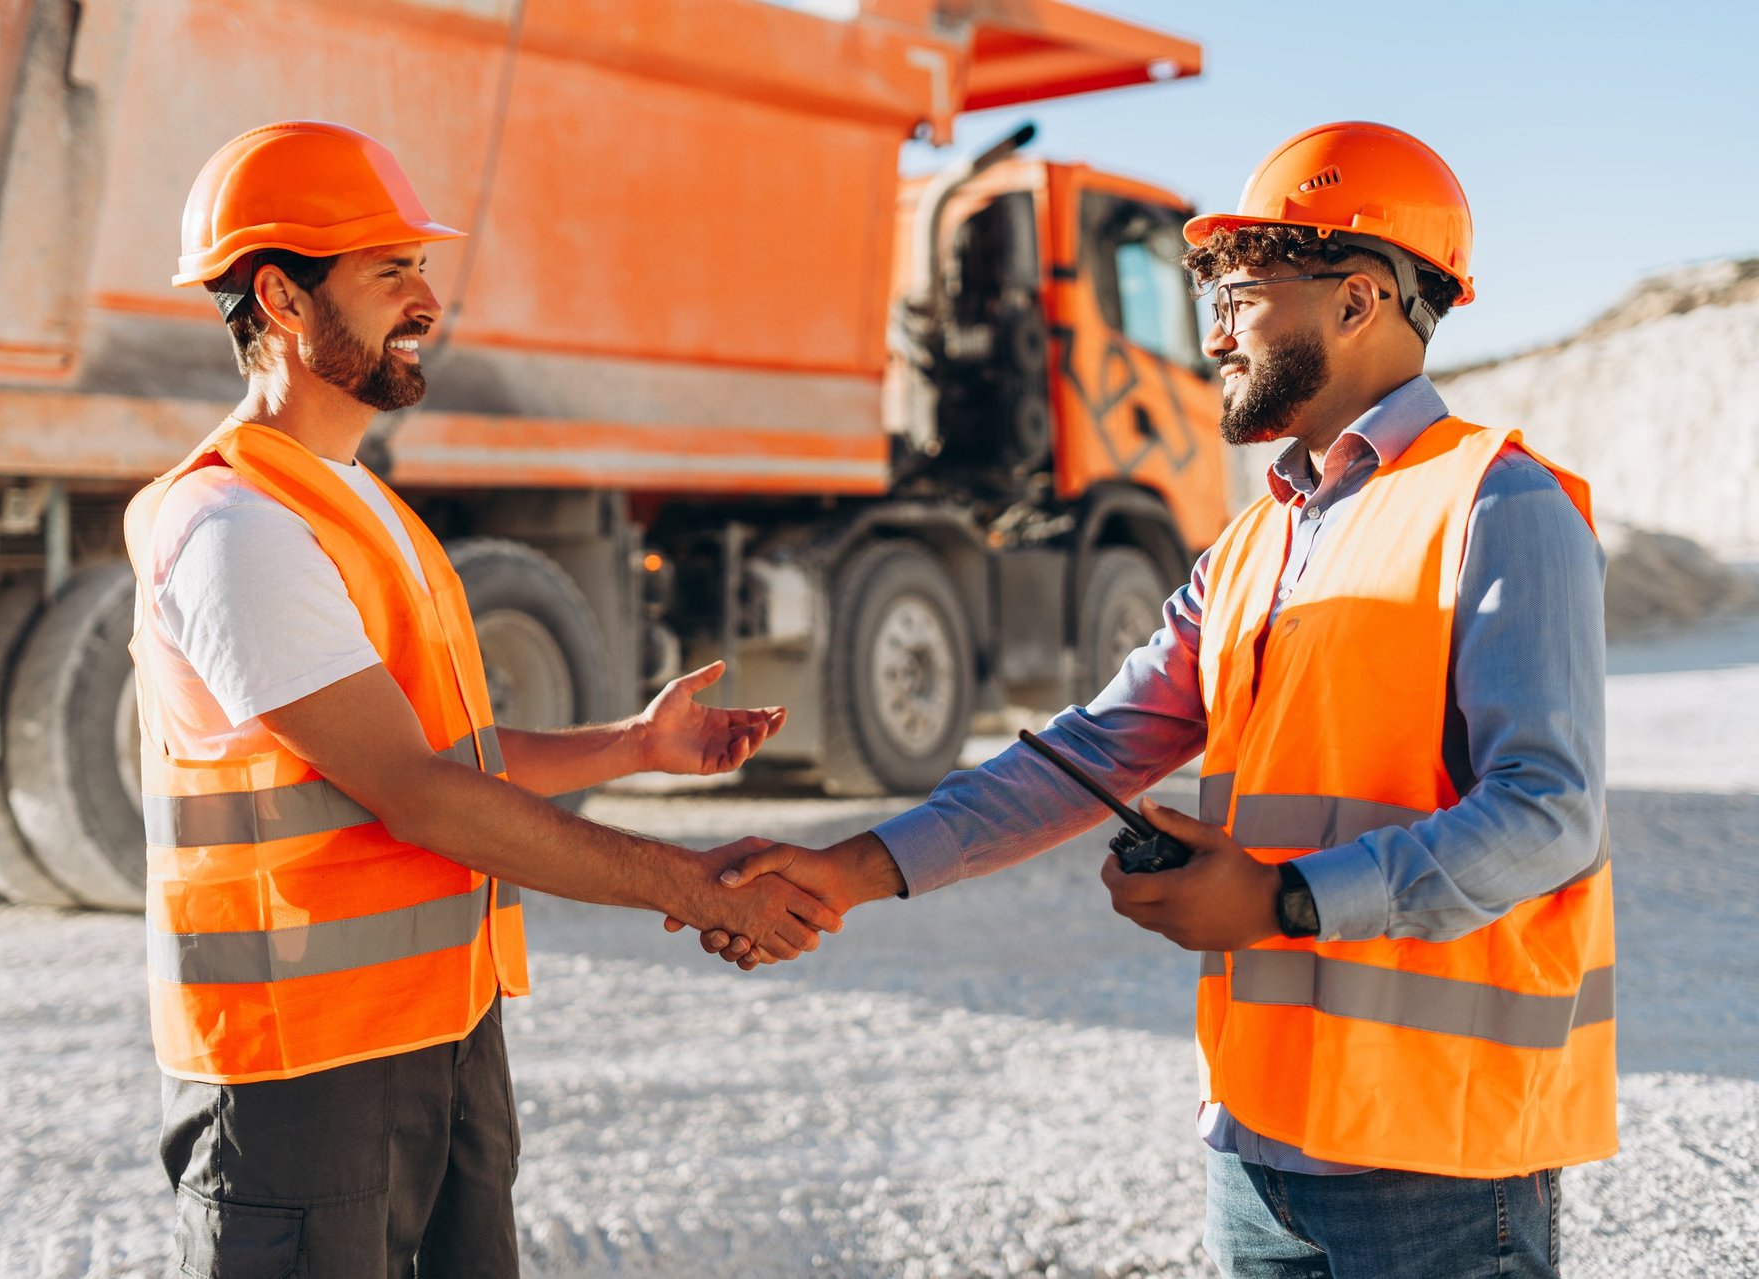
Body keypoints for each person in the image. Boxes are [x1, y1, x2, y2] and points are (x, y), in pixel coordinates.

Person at [697, 122, 1616, 1277]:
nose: (1216, 331)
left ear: (1358, 299)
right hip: (1257, 1142)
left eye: (1244, 290)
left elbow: (1548, 812)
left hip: (1434, 1157)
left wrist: (1284, 901)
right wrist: (855, 869)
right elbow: (1088, 749)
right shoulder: (1252, 543)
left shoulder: (1499, 505)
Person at [128, 120, 840, 1279]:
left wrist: (634, 743)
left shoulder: (357, 505)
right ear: (284, 297)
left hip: (438, 1035)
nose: (427, 300)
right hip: (300, 1070)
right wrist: (698, 885)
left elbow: (437, 754)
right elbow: (418, 797)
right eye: (389, 270)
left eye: (421, 267)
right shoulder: (234, 527)